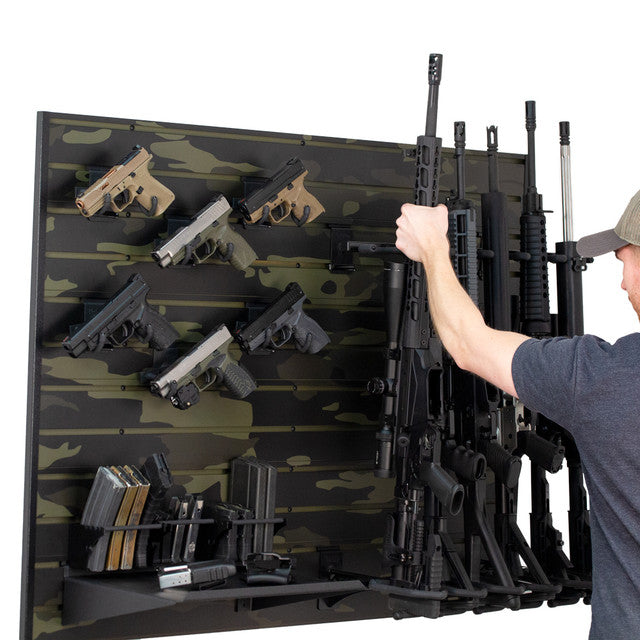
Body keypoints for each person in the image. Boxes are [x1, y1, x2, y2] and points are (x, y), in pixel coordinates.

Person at [394, 190, 640, 640]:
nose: (623, 284)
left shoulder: (601, 379)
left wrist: (432, 249)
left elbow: (468, 343)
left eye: (625, 261)